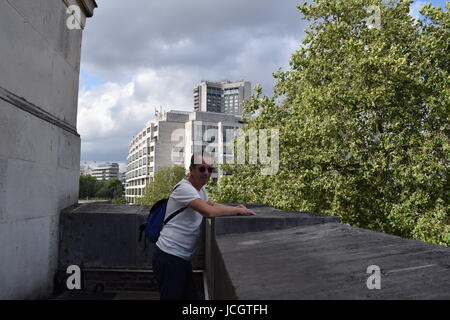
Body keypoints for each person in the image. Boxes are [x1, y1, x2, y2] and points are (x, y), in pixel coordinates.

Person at [153, 152, 256, 300]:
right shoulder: (184, 188)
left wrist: (238, 209)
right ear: (191, 170)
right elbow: (209, 212)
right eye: (202, 169)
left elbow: (211, 204)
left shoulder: (199, 189)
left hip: (181, 258)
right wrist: (236, 210)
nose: (206, 173)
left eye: (210, 169)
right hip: (169, 257)